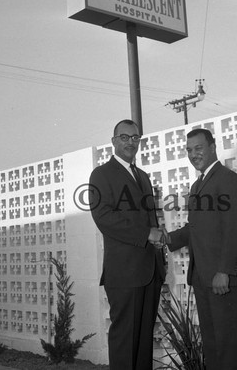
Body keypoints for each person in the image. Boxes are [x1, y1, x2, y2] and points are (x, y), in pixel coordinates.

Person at [164, 128, 237, 370]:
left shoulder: (227, 179)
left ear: (212, 147)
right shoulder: (197, 185)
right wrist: (167, 238)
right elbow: (195, 228)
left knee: (229, 348)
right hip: (202, 278)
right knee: (212, 347)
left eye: (198, 148)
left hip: (222, 278)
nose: (193, 154)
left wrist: (224, 271)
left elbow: (235, 228)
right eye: (189, 150)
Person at [89, 119, 166, 370]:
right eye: (124, 137)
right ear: (114, 141)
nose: (130, 142)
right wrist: (147, 234)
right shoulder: (101, 174)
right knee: (125, 341)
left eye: (135, 138)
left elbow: (150, 220)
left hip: (150, 271)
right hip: (124, 273)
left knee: (144, 341)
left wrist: (158, 254)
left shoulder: (143, 177)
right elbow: (104, 218)